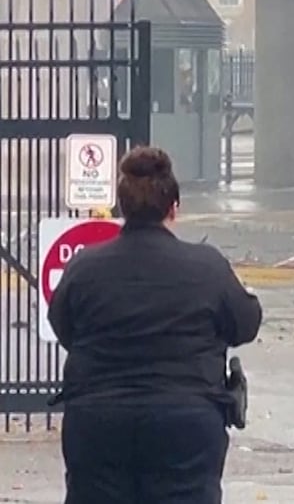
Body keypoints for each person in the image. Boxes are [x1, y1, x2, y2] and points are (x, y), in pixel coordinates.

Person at [48, 146, 262, 504]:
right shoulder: (207, 267)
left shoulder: (85, 268)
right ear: (173, 208)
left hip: (99, 421)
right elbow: (246, 324)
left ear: (123, 209)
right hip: (186, 423)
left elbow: (64, 327)